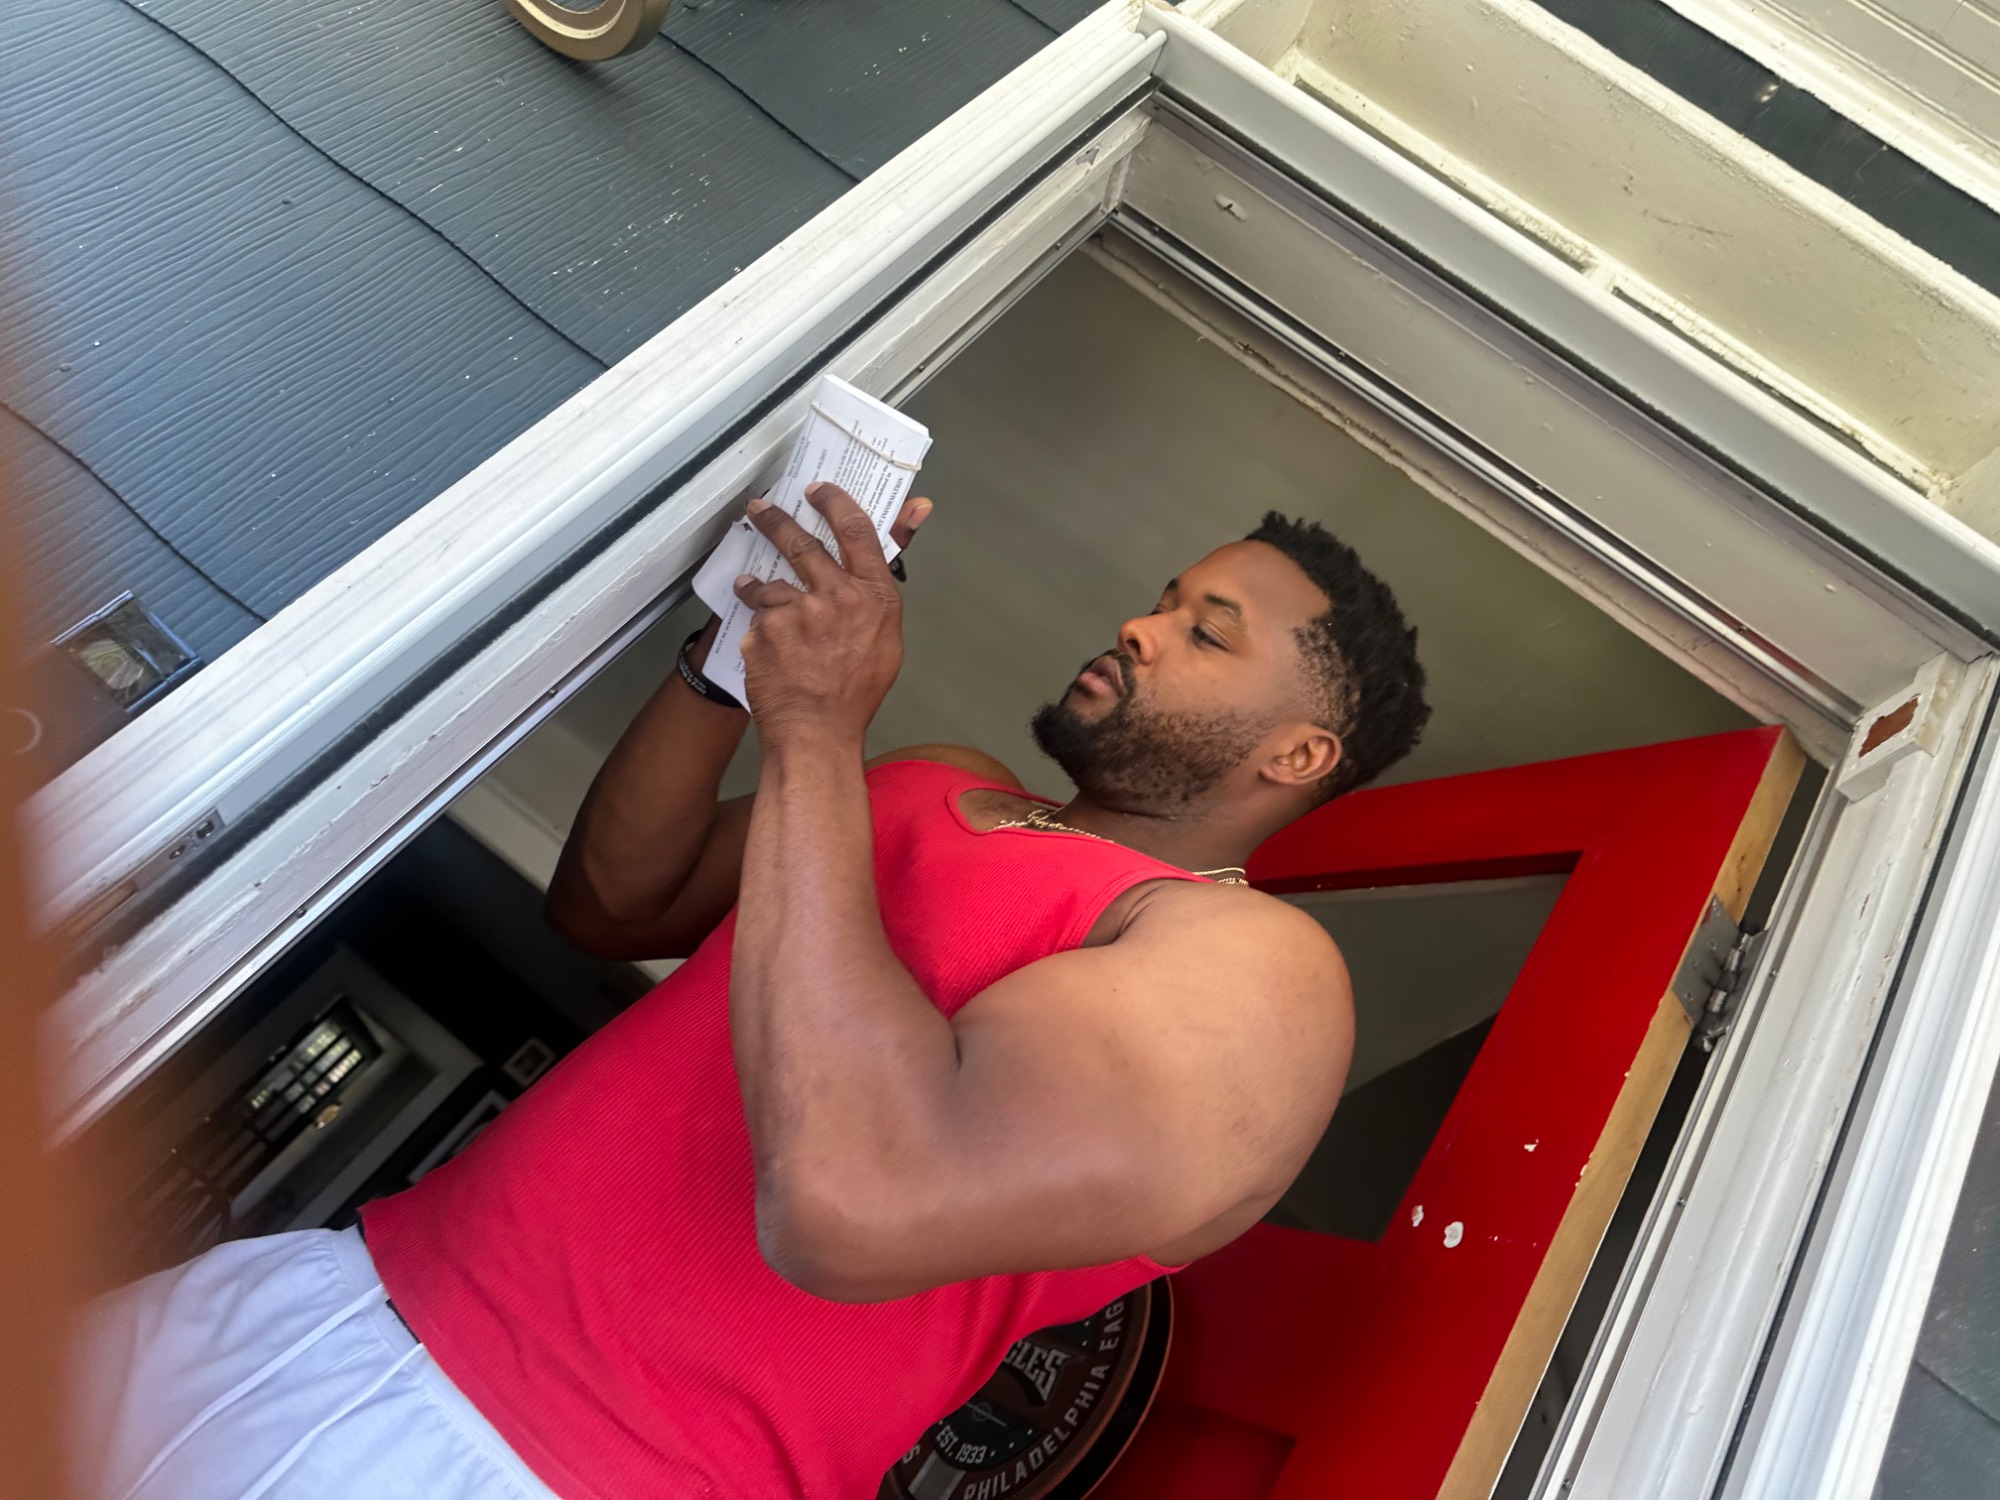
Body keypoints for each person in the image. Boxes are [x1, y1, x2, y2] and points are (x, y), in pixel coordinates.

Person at [74, 483, 1430, 1500]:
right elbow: (614, 904)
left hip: (555, 1467)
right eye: (1163, 596)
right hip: (328, 1289)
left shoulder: (1251, 969)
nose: (1139, 625)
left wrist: (814, 725)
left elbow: (855, 1198)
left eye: (1205, 633)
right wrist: (744, 652)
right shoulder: (932, 784)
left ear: (1300, 754)